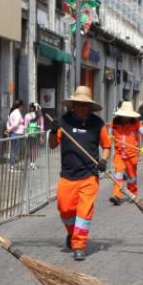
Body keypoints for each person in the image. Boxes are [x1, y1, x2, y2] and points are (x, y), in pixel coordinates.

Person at [48, 86, 111, 261]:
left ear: (90, 107)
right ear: (73, 105)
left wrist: (104, 160)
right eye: (78, 104)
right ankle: (72, 232)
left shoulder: (97, 124)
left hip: (89, 176)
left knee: (84, 212)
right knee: (65, 209)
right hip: (68, 175)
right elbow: (53, 144)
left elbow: (106, 146)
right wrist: (53, 131)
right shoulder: (64, 121)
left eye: (85, 105)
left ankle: (79, 245)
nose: (82, 108)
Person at [109, 101, 143, 206]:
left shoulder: (136, 123)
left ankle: (133, 194)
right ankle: (117, 196)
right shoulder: (114, 122)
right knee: (118, 174)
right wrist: (110, 137)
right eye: (124, 115)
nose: (126, 117)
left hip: (132, 155)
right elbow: (108, 135)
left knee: (132, 177)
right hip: (119, 154)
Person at [5, 99, 25, 170]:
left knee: (13, 150)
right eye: (22, 106)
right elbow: (16, 124)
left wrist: (9, 129)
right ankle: (12, 166)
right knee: (14, 151)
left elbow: (8, 123)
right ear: (20, 106)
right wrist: (9, 130)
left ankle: (12, 165)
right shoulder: (17, 113)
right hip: (17, 133)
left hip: (14, 133)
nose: (23, 108)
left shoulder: (12, 112)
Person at [25, 103, 44, 170]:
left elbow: (26, 125)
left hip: (30, 134)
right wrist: (41, 136)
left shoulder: (27, 115)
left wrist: (26, 133)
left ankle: (30, 163)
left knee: (30, 149)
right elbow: (42, 126)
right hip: (36, 134)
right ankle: (32, 163)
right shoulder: (40, 116)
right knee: (35, 150)